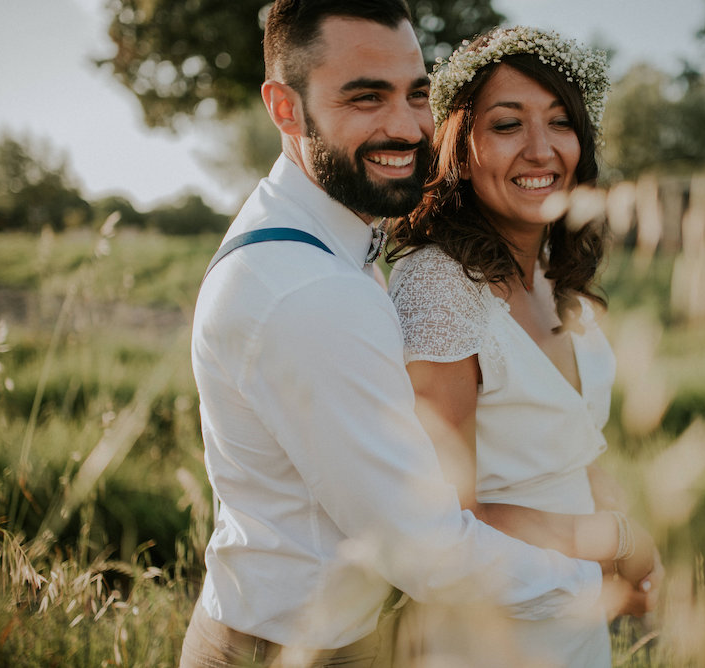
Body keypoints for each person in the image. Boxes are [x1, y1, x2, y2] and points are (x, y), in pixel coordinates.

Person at [180, 3, 651, 668]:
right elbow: (426, 548)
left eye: (416, 93)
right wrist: (599, 577)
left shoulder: (340, 244)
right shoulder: (311, 290)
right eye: (366, 97)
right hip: (284, 649)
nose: (404, 125)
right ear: (286, 109)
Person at [387, 26, 662, 667]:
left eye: (561, 122)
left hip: (577, 614)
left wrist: (633, 546)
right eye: (508, 125)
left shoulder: (554, 274)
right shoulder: (437, 285)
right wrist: (615, 539)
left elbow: (571, 444)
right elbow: (442, 518)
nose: (542, 151)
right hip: (488, 626)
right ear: (462, 142)